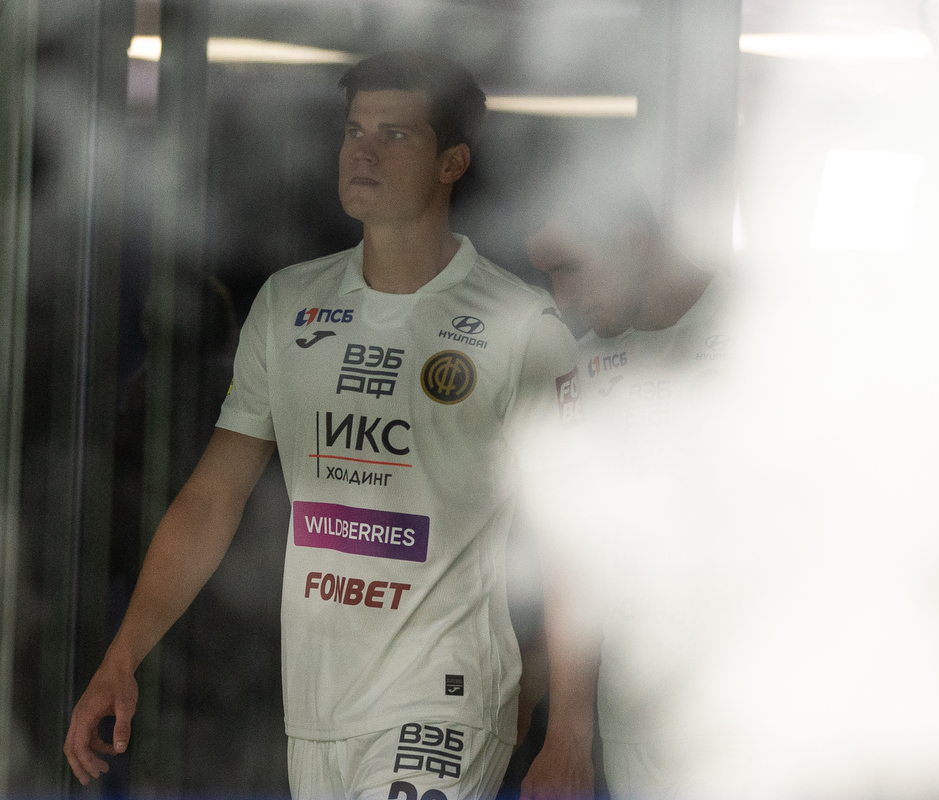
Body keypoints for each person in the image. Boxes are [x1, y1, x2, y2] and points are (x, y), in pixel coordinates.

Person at [63, 50, 578, 800]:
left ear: (452, 163)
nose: (363, 151)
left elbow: (578, 541)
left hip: (444, 701)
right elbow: (211, 499)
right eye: (353, 130)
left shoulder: (521, 326)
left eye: (395, 134)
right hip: (315, 711)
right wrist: (121, 657)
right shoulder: (288, 304)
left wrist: (568, 733)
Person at [518, 164, 738, 800]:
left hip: (764, 713)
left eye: (572, 268)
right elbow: (577, 553)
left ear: (635, 240)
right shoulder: (586, 365)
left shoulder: (771, 329)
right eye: (549, 275)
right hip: (637, 723)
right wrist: (567, 730)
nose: (562, 299)